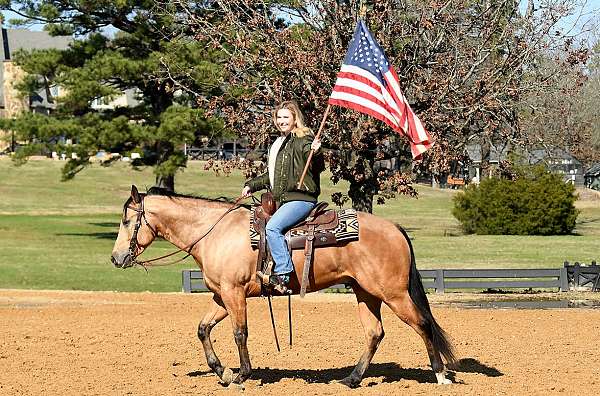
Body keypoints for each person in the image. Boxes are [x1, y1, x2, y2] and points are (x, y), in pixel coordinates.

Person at [242, 101, 324, 293]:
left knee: (273, 228)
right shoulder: (278, 144)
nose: (282, 121)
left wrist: (316, 151)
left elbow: (314, 162)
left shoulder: (302, 139)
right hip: (283, 200)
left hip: (301, 198)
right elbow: (271, 176)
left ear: (295, 119)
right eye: (279, 117)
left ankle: (283, 273)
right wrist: (250, 186)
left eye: (286, 117)